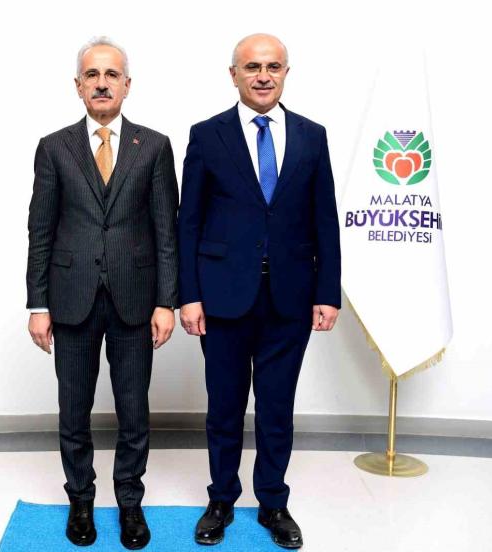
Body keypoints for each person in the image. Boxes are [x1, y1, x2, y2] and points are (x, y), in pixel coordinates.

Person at [177, 33, 341, 549]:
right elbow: (188, 222)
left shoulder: (313, 136)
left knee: (276, 408)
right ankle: (221, 499)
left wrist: (328, 291)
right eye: (252, 66)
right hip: (222, 298)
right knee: (224, 408)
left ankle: (273, 502)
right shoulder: (207, 135)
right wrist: (188, 295)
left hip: (291, 298)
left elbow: (325, 219)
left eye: (273, 66)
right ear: (234, 75)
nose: (263, 75)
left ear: (286, 72)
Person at [25, 36, 178, 550]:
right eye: (92, 75)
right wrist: (38, 304)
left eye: (112, 75)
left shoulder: (153, 147)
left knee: (134, 411)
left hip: (136, 300)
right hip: (71, 300)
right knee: (74, 410)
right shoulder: (54, 147)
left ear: (127, 85)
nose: (102, 83)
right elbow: (41, 231)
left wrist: (165, 301)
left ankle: (130, 502)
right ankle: (81, 501)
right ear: (78, 85)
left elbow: (166, 231)